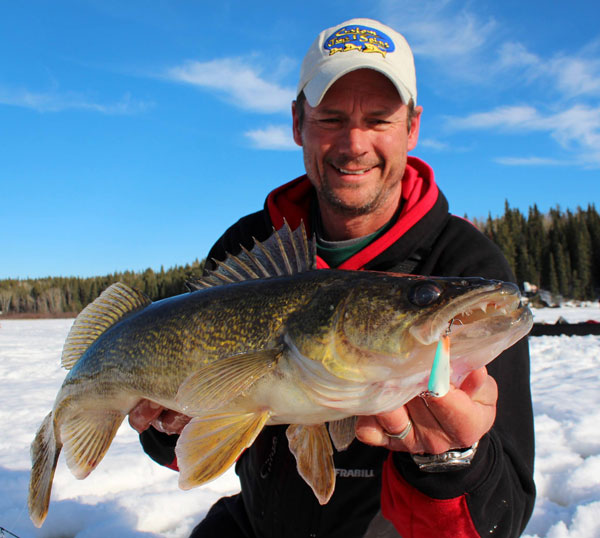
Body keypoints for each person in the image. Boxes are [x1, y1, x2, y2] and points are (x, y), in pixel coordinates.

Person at [128, 18, 535, 537]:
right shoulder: (247, 247)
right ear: (298, 122)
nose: (355, 143)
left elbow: (505, 516)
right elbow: (182, 450)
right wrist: (167, 425)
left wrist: (452, 463)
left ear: (412, 126)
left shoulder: (467, 268)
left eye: (380, 119)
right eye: (332, 118)